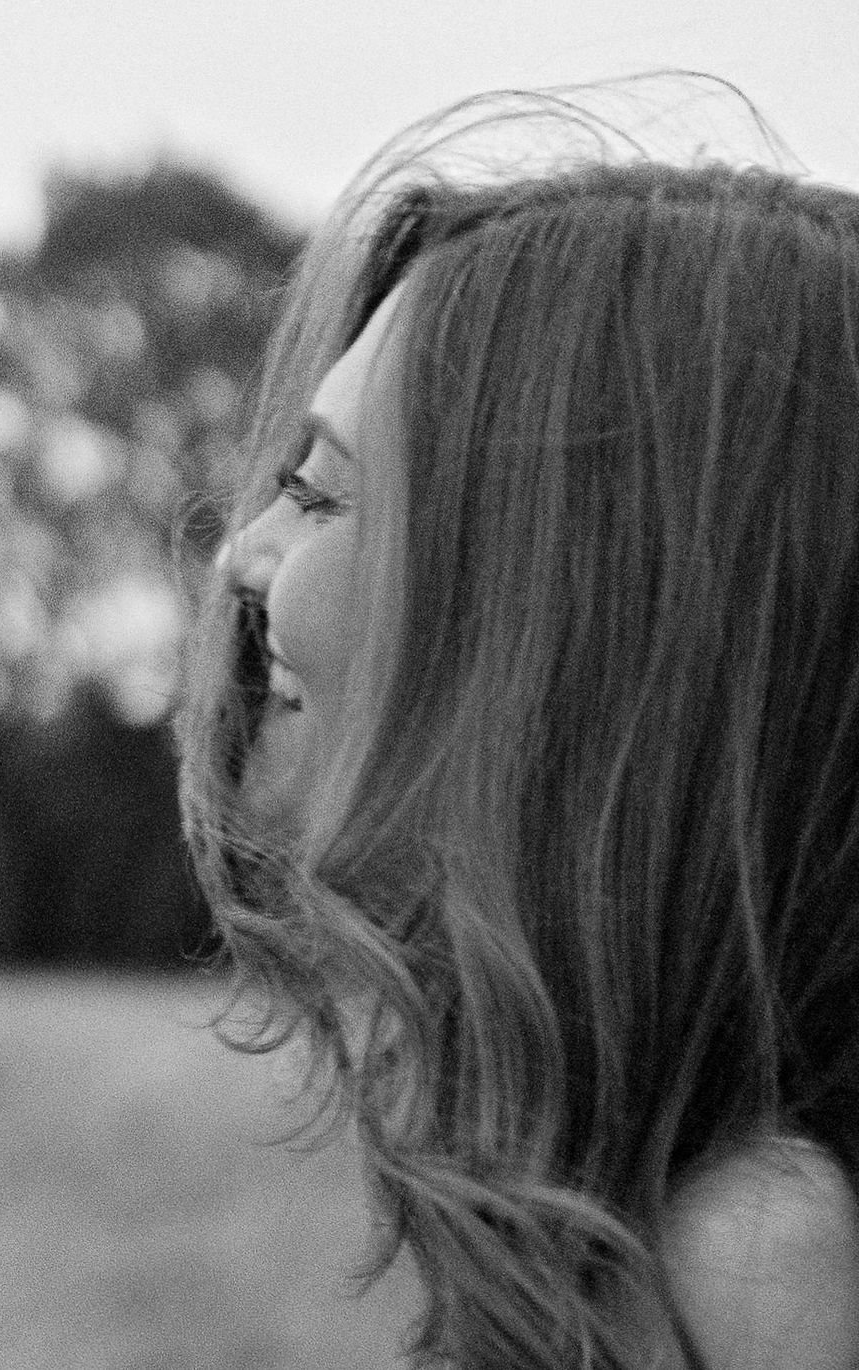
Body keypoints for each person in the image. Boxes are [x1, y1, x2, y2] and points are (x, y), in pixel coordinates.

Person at [179, 89, 859, 1370]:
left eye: (320, 494)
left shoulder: (764, 1261)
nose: (243, 557)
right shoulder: (656, 1187)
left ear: (571, 616)